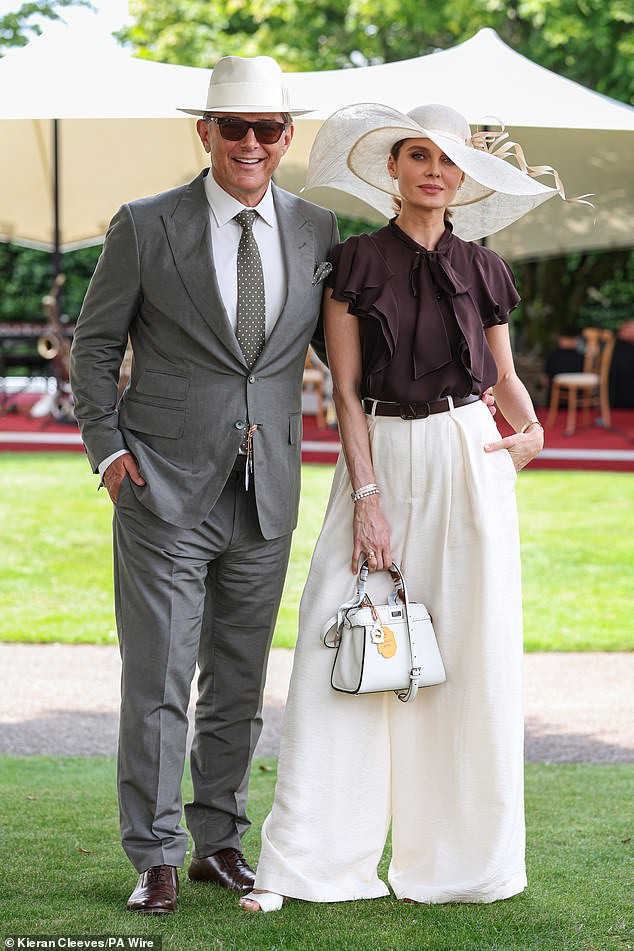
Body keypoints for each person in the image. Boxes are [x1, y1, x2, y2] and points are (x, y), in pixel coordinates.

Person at [239, 101, 567, 912]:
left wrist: (529, 436)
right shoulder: (354, 264)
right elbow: (345, 391)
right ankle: (310, 863)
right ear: (393, 168)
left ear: (462, 178)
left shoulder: (485, 268)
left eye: (447, 160)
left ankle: (462, 863)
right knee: (335, 645)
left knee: (470, 654)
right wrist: (369, 497)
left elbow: (505, 376)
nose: (431, 170)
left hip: (469, 454)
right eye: (417, 155)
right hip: (379, 454)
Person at [69, 55, 339, 914]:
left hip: (267, 491)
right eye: (235, 128)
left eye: (267, 130)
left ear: (286, 138)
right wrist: (108, 452)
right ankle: (153, 851)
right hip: (161, 489)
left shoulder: (317, 230)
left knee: (238, 677)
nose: (251, 144)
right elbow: (95, 346)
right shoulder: (145, 226)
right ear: (206, 133)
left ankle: (219, 840)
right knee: (158, 678)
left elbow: (347, 350)